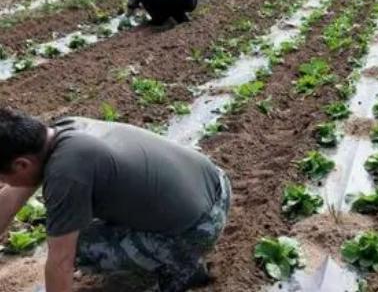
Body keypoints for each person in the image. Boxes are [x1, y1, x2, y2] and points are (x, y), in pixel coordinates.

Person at [0, 108, 231, 292]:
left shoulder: (66, 173)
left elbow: (61, 261)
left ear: (22, 164)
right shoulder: (60, 132)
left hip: (201, 224)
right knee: (72, 227)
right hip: (216, 184)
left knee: (81, 245)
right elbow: (11, 199)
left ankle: (181, 267)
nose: (5, 184)